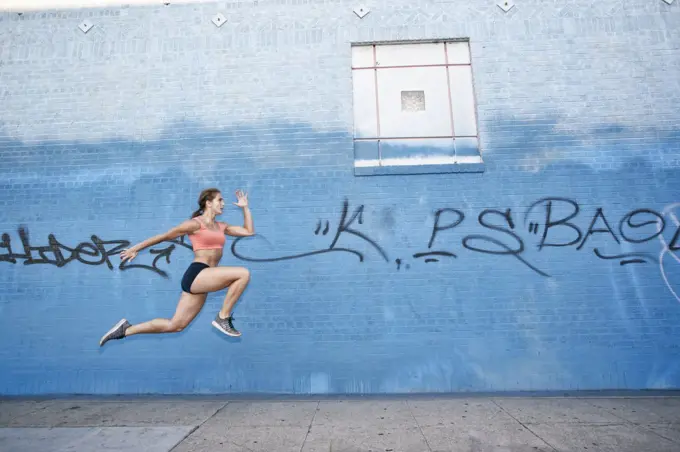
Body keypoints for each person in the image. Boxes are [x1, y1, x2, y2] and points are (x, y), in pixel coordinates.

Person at [99, 188, 255, 346]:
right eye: (219, 200)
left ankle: (125, 330)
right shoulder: (195, 224)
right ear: (208, 203)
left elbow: (248, 231)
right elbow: (164, 236)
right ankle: (223, 317)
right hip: (198, 273)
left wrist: (245, 208)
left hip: (204, 279)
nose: (223, 203)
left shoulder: (221, 226)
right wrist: (135, 249)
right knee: (243, 273)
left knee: (176, 325)